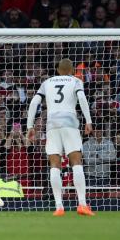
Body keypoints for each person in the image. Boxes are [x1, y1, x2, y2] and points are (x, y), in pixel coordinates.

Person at [26, 58, 95, 217]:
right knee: (76, 162)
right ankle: (82, 204)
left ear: (58, 70)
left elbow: (34, 102)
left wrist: (30, 126)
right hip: (70, 123)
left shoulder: (47, 82)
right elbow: (83, 99)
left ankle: (59, 206)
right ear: (72, 70)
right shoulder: (76, 81)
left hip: (52, 125)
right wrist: (88, 121)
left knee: (55, 164)